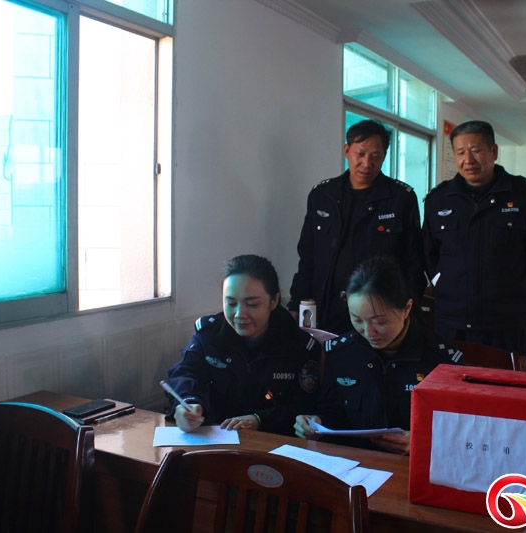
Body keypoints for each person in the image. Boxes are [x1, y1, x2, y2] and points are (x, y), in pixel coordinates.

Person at [293, 255, 464, 455]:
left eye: (380, 322)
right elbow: (332, 410)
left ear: (406, 309)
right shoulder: (341, 353)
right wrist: (316, 423)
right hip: (355, 462)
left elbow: (460, 430)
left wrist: (424, 441)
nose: (368, 332)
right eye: (357, 319)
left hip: (411, 464)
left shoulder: (442, 361)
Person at [422, 120, 526, 354]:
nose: (468, 160)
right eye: (460, 152)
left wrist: (520, 296)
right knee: (451, 377)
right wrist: (446, 286)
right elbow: (429, 254)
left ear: (493, 151)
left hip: (507, 322)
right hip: (452, 320)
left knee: (505, 378)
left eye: (476, 150)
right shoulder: (438, 199)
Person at [288, 119, 425, 334]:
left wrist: (407, 311)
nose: (366, 163)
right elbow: (307, 257)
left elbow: (413, 262)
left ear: (384, 156)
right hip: (326, 306)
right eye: (360, 154)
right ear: (346, 150)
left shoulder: (400, 198)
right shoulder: (322, 196)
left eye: (375, 157)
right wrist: (297, 303)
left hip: (377, 312)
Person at [165, 254, 321, 436]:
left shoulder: (298, 345)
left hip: (274, 442)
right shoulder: (209, 336)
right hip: (215, 439)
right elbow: (185, 372)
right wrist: (187, 403)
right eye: (231, 303)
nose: (240, 314)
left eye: (252, 304)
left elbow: (305, 405)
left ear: (274, 301)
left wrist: (260, 419)